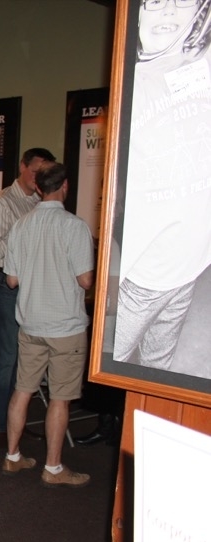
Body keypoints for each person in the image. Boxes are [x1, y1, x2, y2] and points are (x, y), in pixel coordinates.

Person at [112, 0, 211, 376]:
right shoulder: (132, 86)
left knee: (158, 370)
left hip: (189, 268)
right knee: (114, 364)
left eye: (180, 1)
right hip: (142, 275)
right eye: (155, 3)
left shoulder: (200, 70)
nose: (169, 11)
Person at [3, 162, 95, 488]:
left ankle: (12, 456)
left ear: (39, 188)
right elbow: (85, 280)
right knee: (60, 398)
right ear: (65, 186)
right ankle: (53, 468)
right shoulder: (75, 227)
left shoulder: (21, 225)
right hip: (65, 326)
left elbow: (11, 280)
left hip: (30, 323)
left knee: (22, 390)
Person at [0, 147, 56, 446]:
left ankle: (14, 421)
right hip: (5, 282)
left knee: (24, 357)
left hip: (31, 283)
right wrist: (25, 239)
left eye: (44, 173)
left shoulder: (40, 202)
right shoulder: (3, 202)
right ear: (23, 167)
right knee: (6, 357)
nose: (39, 177)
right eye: (35, 171)